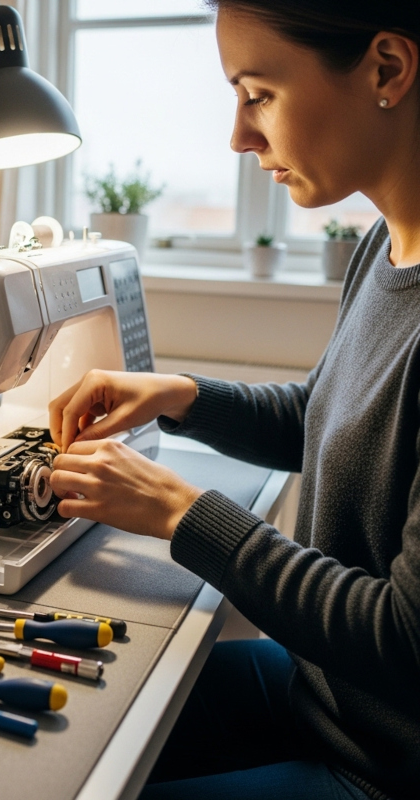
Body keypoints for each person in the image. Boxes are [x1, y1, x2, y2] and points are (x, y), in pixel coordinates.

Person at [48, 2, 420, 798]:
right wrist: (180, 396)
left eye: (259, 94)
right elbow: (325, 416)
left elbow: (402, 638)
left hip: (388, 763)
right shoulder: (382, 247)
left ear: (387, 69)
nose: (239, 137)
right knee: (66, 738)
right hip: (326, 694)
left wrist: (184, 513)